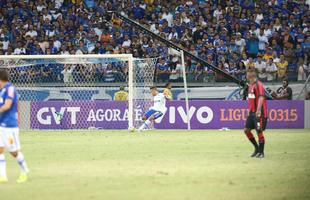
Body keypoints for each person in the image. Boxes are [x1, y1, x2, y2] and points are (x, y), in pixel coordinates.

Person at [0, 69, 29, 183]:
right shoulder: (2, 91)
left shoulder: (10, 88)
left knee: (14, 151)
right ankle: (2, 176)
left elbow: (7, 106)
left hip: (9, 126)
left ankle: (24, 171)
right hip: (1, 125)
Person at [244, 70, 268, 158]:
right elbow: (251, 99)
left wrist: (258, 111)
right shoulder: (250, 85)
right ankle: (257, 148)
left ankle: (261, 152)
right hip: (251, 113)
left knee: (259, 131)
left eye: (247, 75)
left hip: (259, 112)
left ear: (251, 75)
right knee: (246, 130)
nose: (246, 76)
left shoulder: (259, 85)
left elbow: (261, 97)